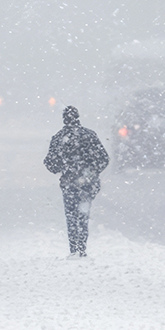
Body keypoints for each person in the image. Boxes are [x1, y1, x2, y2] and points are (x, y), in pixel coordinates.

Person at [44, 106, 108, 257]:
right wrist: (92, 171)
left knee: (71, 215)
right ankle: (82, 247)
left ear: (64, 119)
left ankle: (74, 248)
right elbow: (103, 158)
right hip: (87, 183)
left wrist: (63, 169)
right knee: (83, 213)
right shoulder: (90, 135)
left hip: (69, 183)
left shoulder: (59, 137)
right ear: (78, 117)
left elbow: (50, 162)